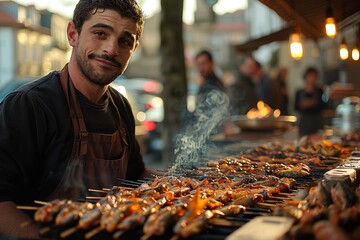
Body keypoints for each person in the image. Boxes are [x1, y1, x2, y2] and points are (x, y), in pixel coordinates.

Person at [0, 0, 158, 237]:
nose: (111, 49)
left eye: (125, 41)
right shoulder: (29, 105)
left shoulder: (121, 106)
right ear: (73, 34)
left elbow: (135, 176)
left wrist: (188, 180)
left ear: (133, 49)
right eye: (100, 33)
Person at [295, 67, 326, 136]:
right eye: (310, 76)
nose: (312, 78)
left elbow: (324, 105)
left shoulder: (320, 91)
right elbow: (296, 107)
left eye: (314, 76)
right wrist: (304, 105)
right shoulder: (299, 92)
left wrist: (314, 103)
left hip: (317, 123)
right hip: (304, 123)